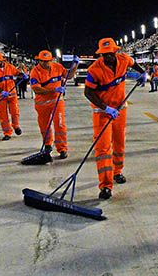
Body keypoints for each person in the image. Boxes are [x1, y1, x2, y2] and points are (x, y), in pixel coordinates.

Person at [84, 37, 146, 200]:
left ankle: (117, 172)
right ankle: (105, 185)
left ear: (115, 52)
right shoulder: (94, 70)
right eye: (104, 55)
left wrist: (143, 73)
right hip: (102, 112)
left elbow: (134, 64)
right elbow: (88, 93)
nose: (107, 57)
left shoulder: (124, 59)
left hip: (120, 110)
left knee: (119, 143)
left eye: (110, 53)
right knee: (103, 148)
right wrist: (106, 108)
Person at [29, 50, 77, 159]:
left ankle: (62, 148)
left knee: (60, 125)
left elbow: (69, 76)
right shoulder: (35, 72)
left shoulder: (58, 67)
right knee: (44, 126)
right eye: (42, 61)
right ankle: (47, 145)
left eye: (47, 61)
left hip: (57, 101)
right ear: (39, 60)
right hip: (42, 104)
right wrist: (54, 90)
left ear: (51, 60)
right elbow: (37, 89)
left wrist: (75, 65)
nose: (45, 63)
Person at [0, 53, 22, 140]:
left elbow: (18, 73)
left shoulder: (10, 67)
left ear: (2, 60)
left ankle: (16, 126)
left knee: (14, 112)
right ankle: (7, 132)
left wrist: (23, 75)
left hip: (12, 94)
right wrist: (1, 91)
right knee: (3, 115)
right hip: (0, 96)